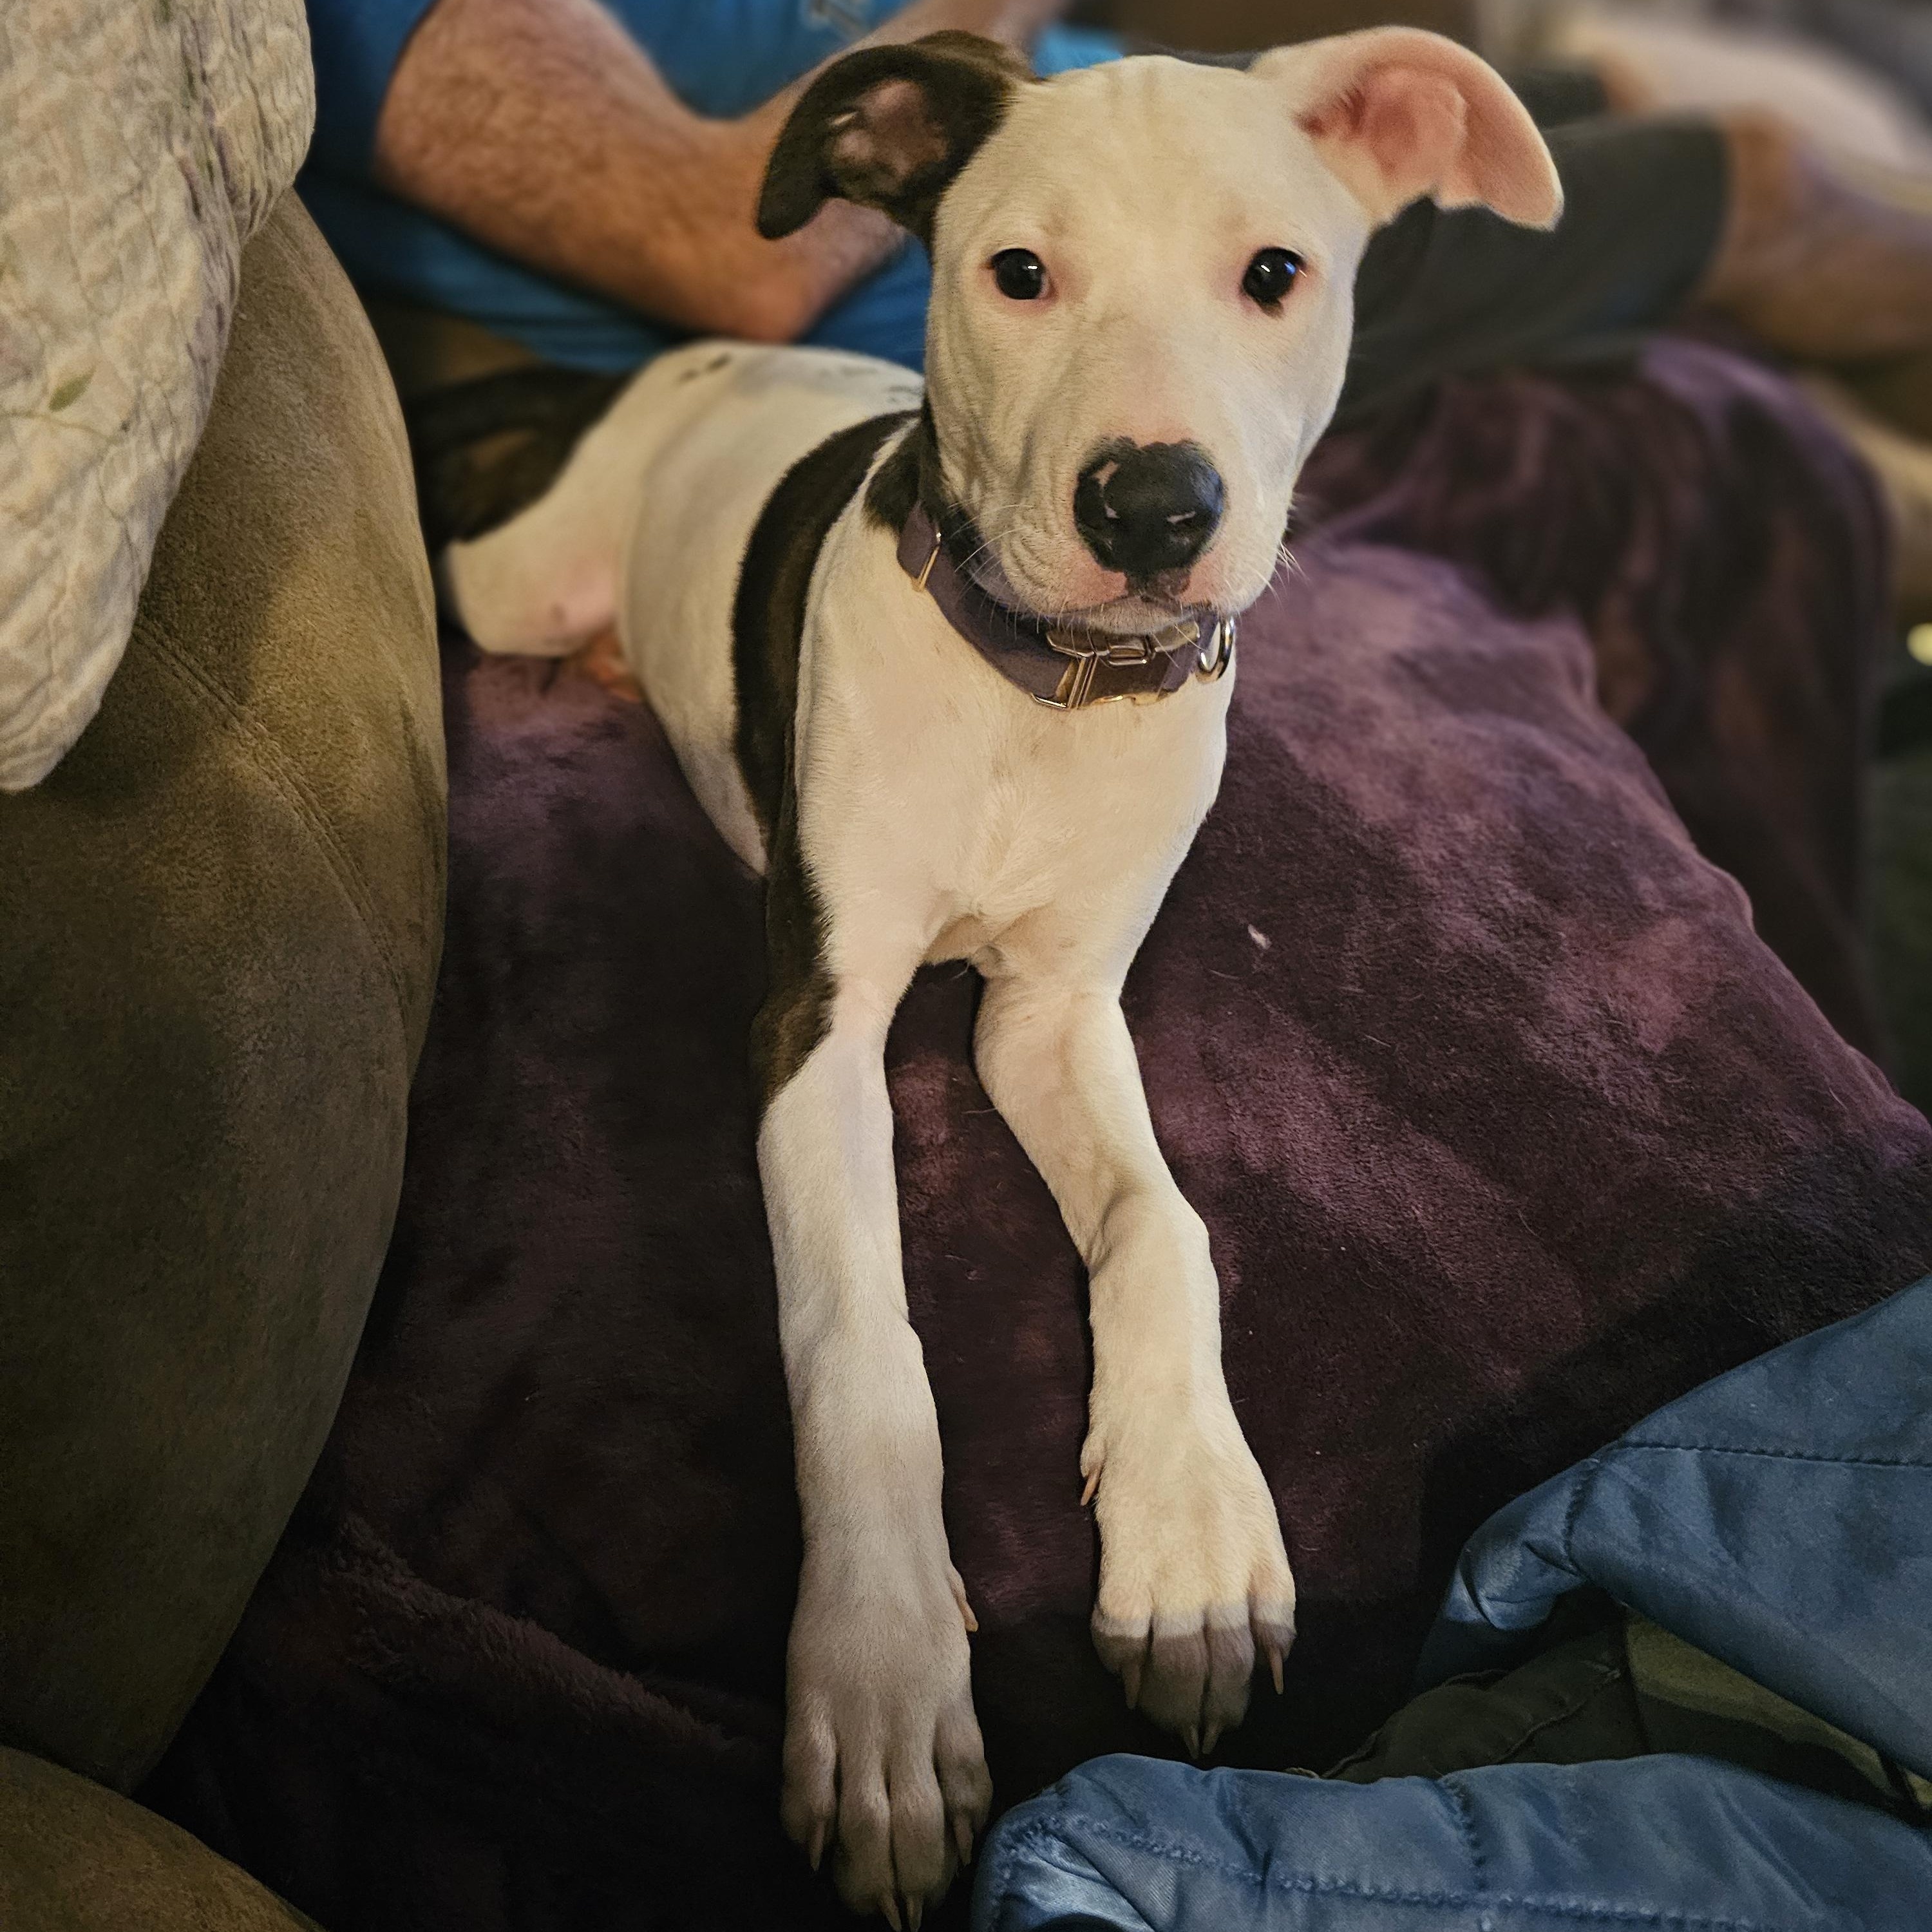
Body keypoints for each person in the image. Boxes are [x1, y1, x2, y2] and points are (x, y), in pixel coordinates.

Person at [303, 0, 1932, 430]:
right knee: (1757, 183)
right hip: (1100, 251)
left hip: (1149, 114)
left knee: (1627, 103)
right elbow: (729, 244)